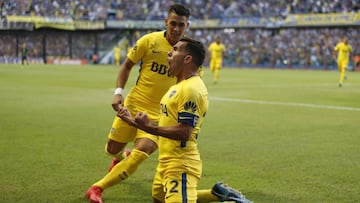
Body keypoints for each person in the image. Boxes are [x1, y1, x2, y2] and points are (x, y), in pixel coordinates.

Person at [117, 37, 252, 203]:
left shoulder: (192, 89)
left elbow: (184, 131)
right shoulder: (176, 87)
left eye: (175, 50)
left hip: (181, 164)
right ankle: (216, 194)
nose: (169, 53)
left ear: (187, 59)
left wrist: (149, 129)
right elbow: (168, 123)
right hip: (165, 163)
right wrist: (134, 123)